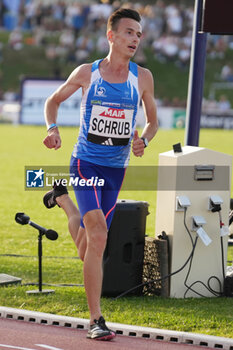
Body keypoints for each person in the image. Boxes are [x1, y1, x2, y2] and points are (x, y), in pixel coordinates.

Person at [43, 8, 158, 341]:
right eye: (128, 32)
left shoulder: (143, 77)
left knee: (88, 247)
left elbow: (152, 122)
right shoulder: (87, 73)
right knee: (97, 232)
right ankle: (96, 319)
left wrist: (144, 141)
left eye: (138, 33)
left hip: (115, 170)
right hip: (85, 164)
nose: (135, 38)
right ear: (112, 36)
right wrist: (53, 128)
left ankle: (64, 203)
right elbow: (53, 100)